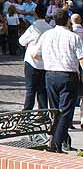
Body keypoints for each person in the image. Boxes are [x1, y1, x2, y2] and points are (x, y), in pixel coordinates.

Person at [33, 9, 83, 153]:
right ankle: (55, 143)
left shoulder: (47, 35)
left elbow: (35, 55)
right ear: (67, 20)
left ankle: (57, 143)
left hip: (51, 74)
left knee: (55, 111)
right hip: (68, 75)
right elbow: (81, 59)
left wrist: (49, 59)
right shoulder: (73, 37)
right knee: (66, 112)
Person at [19, 4, 50, 110]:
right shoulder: (49, 28)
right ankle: (43, 111)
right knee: (42, 89)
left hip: (31, 61)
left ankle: (27, 112)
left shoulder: (34, 27)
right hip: (45, 62)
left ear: (35, 14)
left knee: (30, 89)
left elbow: (22, 41)